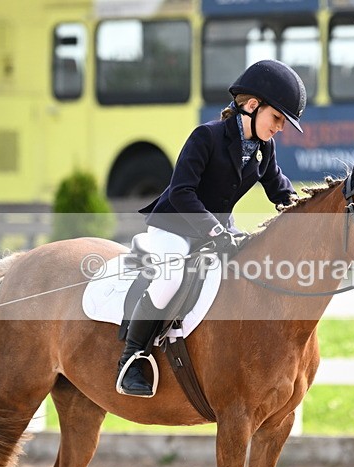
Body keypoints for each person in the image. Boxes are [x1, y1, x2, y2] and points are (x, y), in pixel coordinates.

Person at [115, 59, 307, 396]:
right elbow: (181, 191)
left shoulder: (264, 148)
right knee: (170, 277)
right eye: (277, 118)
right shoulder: (207, 136)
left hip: (218, 231)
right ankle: (132, 358)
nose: (279, 127)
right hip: (175, 225)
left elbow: (278, 187)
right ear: (251, 106)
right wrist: (216, 232)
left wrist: (301, 210)